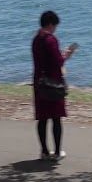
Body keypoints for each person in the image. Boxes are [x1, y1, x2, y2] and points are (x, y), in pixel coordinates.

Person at [32, 10, 76, 160]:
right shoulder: (51, 40)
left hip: (39, 81)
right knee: (56, 118)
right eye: (55, 25)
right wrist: (66, 56)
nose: (56, 28)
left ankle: (44, 151)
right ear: (51, 24)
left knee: (42, 118)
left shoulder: (36, 39)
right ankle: (57, 152)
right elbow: (58, 61)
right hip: (53, 83)